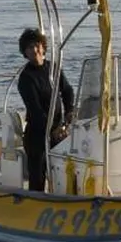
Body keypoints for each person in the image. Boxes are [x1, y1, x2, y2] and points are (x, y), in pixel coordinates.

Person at [16, 28, 74, 193]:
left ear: (43, 47)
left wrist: (69, 112)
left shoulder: (52, 67)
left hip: (58, 130)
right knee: (38, 178)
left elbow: (67, 90)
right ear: (25, 53)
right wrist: (52, 129)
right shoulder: (26, 78)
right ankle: (35, 202)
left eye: (37, 45)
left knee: (63, 172)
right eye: (29, 47)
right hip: (37, 134)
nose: (35, 50)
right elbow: (35, 110)